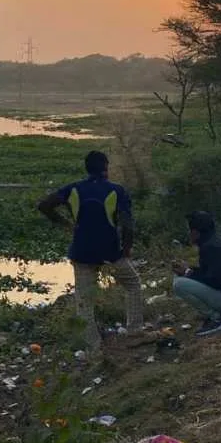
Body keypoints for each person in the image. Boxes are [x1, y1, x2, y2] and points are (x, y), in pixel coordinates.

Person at [38, 150, 142, 351]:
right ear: (106, 168)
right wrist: (127, 248)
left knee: (84, 302)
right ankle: (135, 331)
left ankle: (93, 347)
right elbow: (127, 225)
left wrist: (66, 224)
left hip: (82, 252)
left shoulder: (73, 189)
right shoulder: (117, 190)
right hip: (110, 250)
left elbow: (44, 206)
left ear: (87, 169)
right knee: (133, 284)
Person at [172, 211, 221, 336]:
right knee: (180, 277)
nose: (189, 233)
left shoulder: (212, 247)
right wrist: (188, 270)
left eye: (190, 230)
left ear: (196, 232)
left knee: (179, 284)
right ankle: (217, 316)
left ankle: (218, 318)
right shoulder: (211, 243)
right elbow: (210, 274)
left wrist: (188, 272)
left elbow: (214, 281)